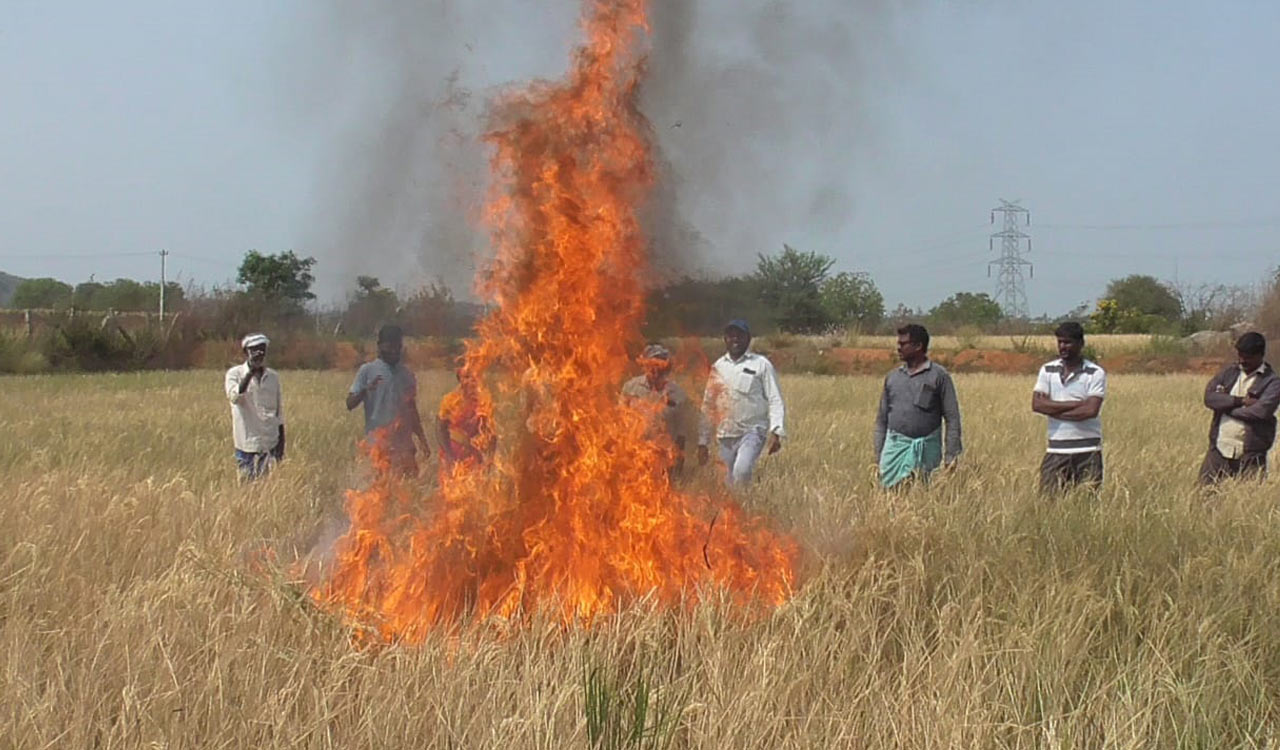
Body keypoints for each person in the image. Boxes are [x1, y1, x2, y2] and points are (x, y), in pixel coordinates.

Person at [697, 320, 786, 486]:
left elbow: (775, 399)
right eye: (731, 335)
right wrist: (703, 441)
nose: (735, 339)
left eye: (740, 335)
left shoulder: (761, 364)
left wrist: (776, 431)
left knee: (742, 470)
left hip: (752, 431)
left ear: (748, 338)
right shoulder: (718, 366)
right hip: (725, 434)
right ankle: (743, 502)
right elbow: (708, 405)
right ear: (725, 339)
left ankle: (743, 496)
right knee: (727, 482)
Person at [873, 324, 962, 488]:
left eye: (903, 344)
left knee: (925, 493)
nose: (898, 348)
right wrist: (879, 456)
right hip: (894, 451)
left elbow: (952, 418)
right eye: (898, 343)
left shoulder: (939, 376)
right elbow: (881, 421)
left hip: (927, 451)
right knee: (890, 494)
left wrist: (951, 455)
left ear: (918, 346)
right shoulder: (892, 378)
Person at [1032, 321, 1107, 493]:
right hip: (1056, 449)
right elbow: (1037, 405)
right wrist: (1076, 404)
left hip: (1088, 451)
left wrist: (1053, 410)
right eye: (1060, 342)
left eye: (1068, 342)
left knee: (1087, 503)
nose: (1062, 347)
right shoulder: (1047, 370)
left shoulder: (1095, 373)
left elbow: (1090, 411)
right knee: (1048, 501)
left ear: (1081, 344)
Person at [346, 324, 429, 476]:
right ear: (379, 346)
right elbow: (350, 404)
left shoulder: (407, 375)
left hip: (404, 448)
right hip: (378, 447)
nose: (393, 351)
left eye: (397, 346)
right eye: (389, 346)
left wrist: (422, 440)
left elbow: (412, 411)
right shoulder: (367, 371)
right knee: (380, 487)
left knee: (409, 488)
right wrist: (365, 390)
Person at [1199, 332, 1280, 485]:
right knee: (1204, 493)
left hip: (1251, 455)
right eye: (1240, 355)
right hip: (1219, 449)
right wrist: (1240, 401)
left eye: (1248, 357)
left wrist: (1225, 408)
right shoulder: (1229, 372)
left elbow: (1260, 412)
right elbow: (1209, 397)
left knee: (1248, 498)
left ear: (1260, 355)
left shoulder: (1272, 382)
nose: (1242, 360)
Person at [621, 343, 694, 473]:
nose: (656, 370)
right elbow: (619, 421)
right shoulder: (630, 388)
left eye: (660, 366)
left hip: (664, 458)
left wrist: (679, 461)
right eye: (652, 365)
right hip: (635, 455)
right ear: (645, 365)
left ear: (667, 368)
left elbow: (681, 431)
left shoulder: (677, 393)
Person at [224, 332, 284, 480]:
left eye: (262, 350)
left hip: (269, 442)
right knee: (246, 485)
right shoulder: (234, 374)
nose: (259, 354)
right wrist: (250, 372)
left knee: (266, 486)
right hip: (246, 443)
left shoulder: (273, 377)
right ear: (246, 352)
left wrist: (281, 442)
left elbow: (278, 412)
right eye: (254, 350)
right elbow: (234, 397)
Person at [437, 368, 488, 469]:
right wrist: (449, 454)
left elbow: (489, 433)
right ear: (460, 380)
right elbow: (440, 429)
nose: (470, 381)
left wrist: (488, 459)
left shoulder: (483, 401)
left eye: (473, 377)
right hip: (451, 453)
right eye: (466, 377)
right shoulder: (450, 400)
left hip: (472, 456)